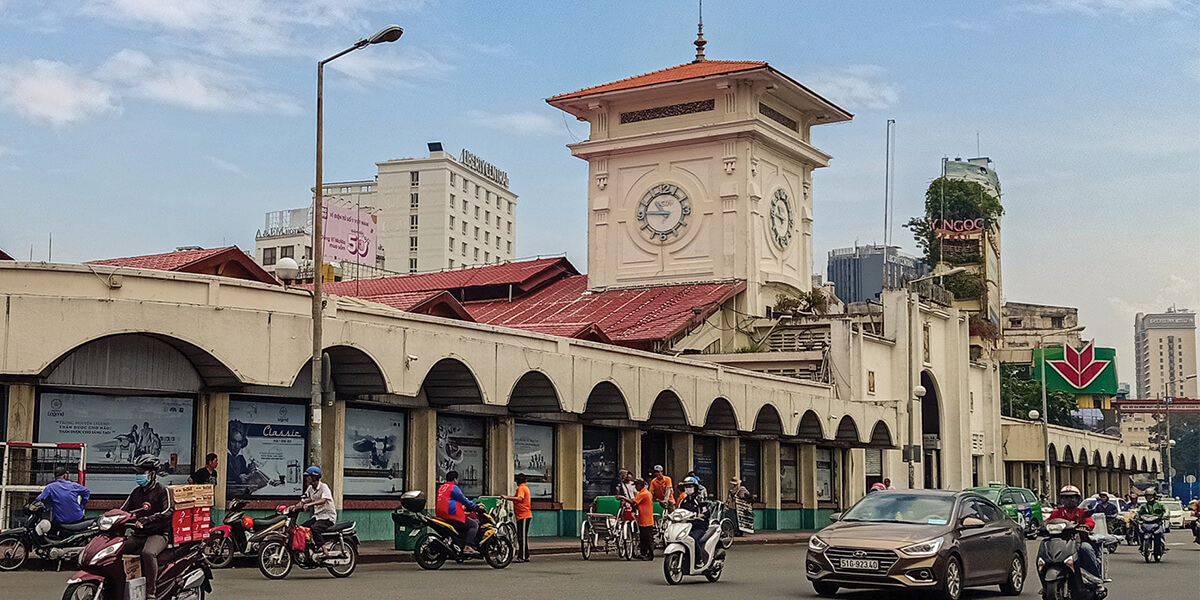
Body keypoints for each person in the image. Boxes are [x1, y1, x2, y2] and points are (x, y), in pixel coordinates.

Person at [121, 455, 173, 600]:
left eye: (142, 473)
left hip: (158, 534)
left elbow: (168, 511)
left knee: (148, 553)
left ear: (152, 474)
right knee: (119, 550)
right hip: (139, 534)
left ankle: (151, 590)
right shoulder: (136, 493)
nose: (139, 476)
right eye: (137, 473)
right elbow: (124, 509)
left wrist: (148, 520)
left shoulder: (163, 491)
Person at [1047, 485, 1101, 580]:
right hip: (1060, 542)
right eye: (1065, 497)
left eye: (1072, 497)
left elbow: (1090, 522)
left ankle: (1095, 577)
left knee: (1086, 549)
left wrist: (1086, 526)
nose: (1069, 500)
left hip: (1079, 541)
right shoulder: (1056, 512)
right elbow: (1049, 521)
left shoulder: (1082, 511)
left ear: (1078, 499)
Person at [35, 466, 90, 538]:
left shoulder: (51, 487)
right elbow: (86, 492)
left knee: (50, 534)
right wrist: (81, 506)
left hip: (62, 520)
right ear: (65, 475)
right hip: (78, 518)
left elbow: (39, 499)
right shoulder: (73, 485)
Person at [294, 466, 336, 556]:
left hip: (328, 517)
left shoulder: (324, 487)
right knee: (301, 528)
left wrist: (309, 505)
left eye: (308, 476)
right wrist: (295, 506)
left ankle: (323, 548)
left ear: (314, 477)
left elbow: (323, 500)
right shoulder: (310, 488)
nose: (306, 478)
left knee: (314, 528)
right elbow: (306, 498)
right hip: (317, 517)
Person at [436, 470, 479, 552]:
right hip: (452, 514)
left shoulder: (442, 487)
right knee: (474, 524)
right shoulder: (454, 487)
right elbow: (463, 500)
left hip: (440, 514)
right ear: (455, 479)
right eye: (457, 479)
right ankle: (468, 546)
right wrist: (474, 506)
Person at [676, 477, 709, 567]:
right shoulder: (684, 500)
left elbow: (705, 512)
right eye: (686, 486)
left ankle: (699, 560)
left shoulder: (700, 499)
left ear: (695, 487)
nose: (688, 488)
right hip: (686, 525)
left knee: (692, 539)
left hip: (699, 526)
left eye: (690, 486)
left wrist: (700, 515)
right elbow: (679, 511)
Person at [502, 473, 532, 563]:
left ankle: (522, 556)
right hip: (523, 515)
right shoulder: (525, 487)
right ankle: (526, 555)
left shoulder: (521, 488)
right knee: (522, 536)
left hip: (524, 515)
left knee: (521, 537)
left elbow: (519, 498)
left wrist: (507, 497)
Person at [1136, 488, 1168, 552]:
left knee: (1159, 534)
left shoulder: (1160, 505)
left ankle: (1162, 546)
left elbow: (1166, 510)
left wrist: (1165, 515)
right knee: (1140, 532)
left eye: (1150, 495)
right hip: (1146, 522)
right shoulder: (1143, 506)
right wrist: (1136, 517)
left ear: (1154, 496)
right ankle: (1142, 545)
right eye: (1147, 495)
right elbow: (1138, 512)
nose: (1149, 497)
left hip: (1157, 522)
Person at [632, 479, 655, 561]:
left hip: (646, 519)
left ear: (640, 485)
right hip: (644, 518)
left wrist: (623, 497)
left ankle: (650, 554)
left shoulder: (643, 493)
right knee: (643, 538)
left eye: (636, 485)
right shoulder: (645, 493)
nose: (635, 487)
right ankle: (643, 553)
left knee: (648, 538)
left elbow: (633, 502)